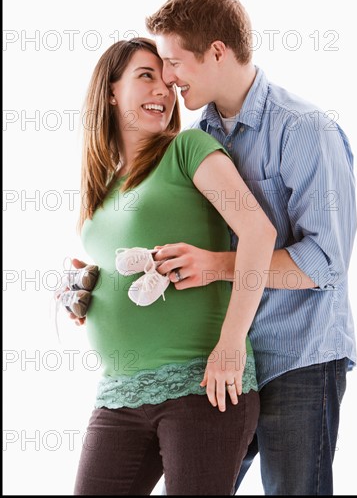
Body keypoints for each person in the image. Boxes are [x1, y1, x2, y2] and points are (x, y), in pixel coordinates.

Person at [145, 0, 357, 495]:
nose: (167, 80)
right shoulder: (198, 139)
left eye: (173, 62)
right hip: (225, 359)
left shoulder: (305, 130)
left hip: (298, 358)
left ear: (217, 51)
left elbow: (325, 262)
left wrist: (220, 265)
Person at [69, 36, 277, 495]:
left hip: (202, 383)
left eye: (166, 80)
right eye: (146, 77)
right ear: (110, 90)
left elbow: (259, 233)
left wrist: (230, 345)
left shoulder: (188, 148)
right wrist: (87, 293)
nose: (163, 91)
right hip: (122, 390)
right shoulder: (102, 188)